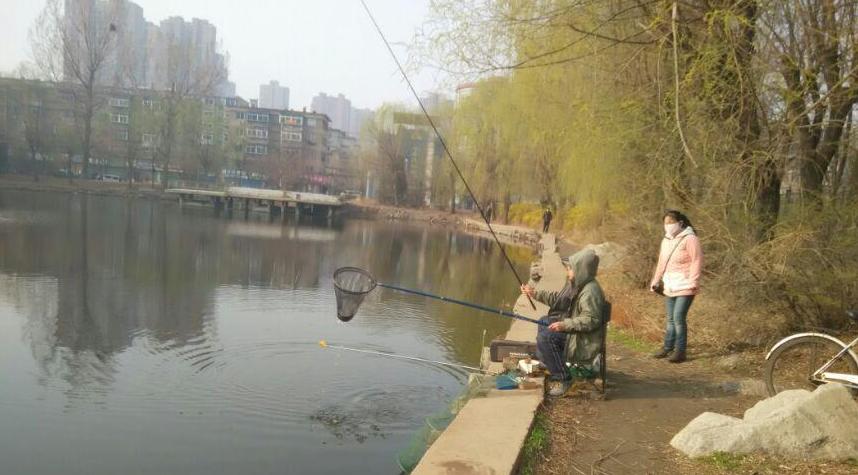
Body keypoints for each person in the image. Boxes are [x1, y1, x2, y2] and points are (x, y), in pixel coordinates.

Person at [521, 248, 606, 397]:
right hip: (576, 331)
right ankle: (549, 362)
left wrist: (564, 324)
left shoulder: (590, 292)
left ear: (581, 269)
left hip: (584, 339)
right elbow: (558, 300)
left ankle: (563, 378)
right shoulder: (577, 284)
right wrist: (534, 293)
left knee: (547, 337)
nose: (567, 272)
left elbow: (591, 320)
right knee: (543, 321)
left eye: (570, 269)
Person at [649, 210, 703, 363]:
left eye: (671, 222)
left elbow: (697, 261)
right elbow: (662, 262)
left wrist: (693, 281)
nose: (668, 226)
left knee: (678, 317)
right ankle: (667, 347)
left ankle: (680, 351)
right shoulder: (666, 240)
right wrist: (655, 280)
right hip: (670, 285)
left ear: (680, 223)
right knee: (671, 319)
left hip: (686, 285)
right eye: (665, 223)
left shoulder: (690, 239)